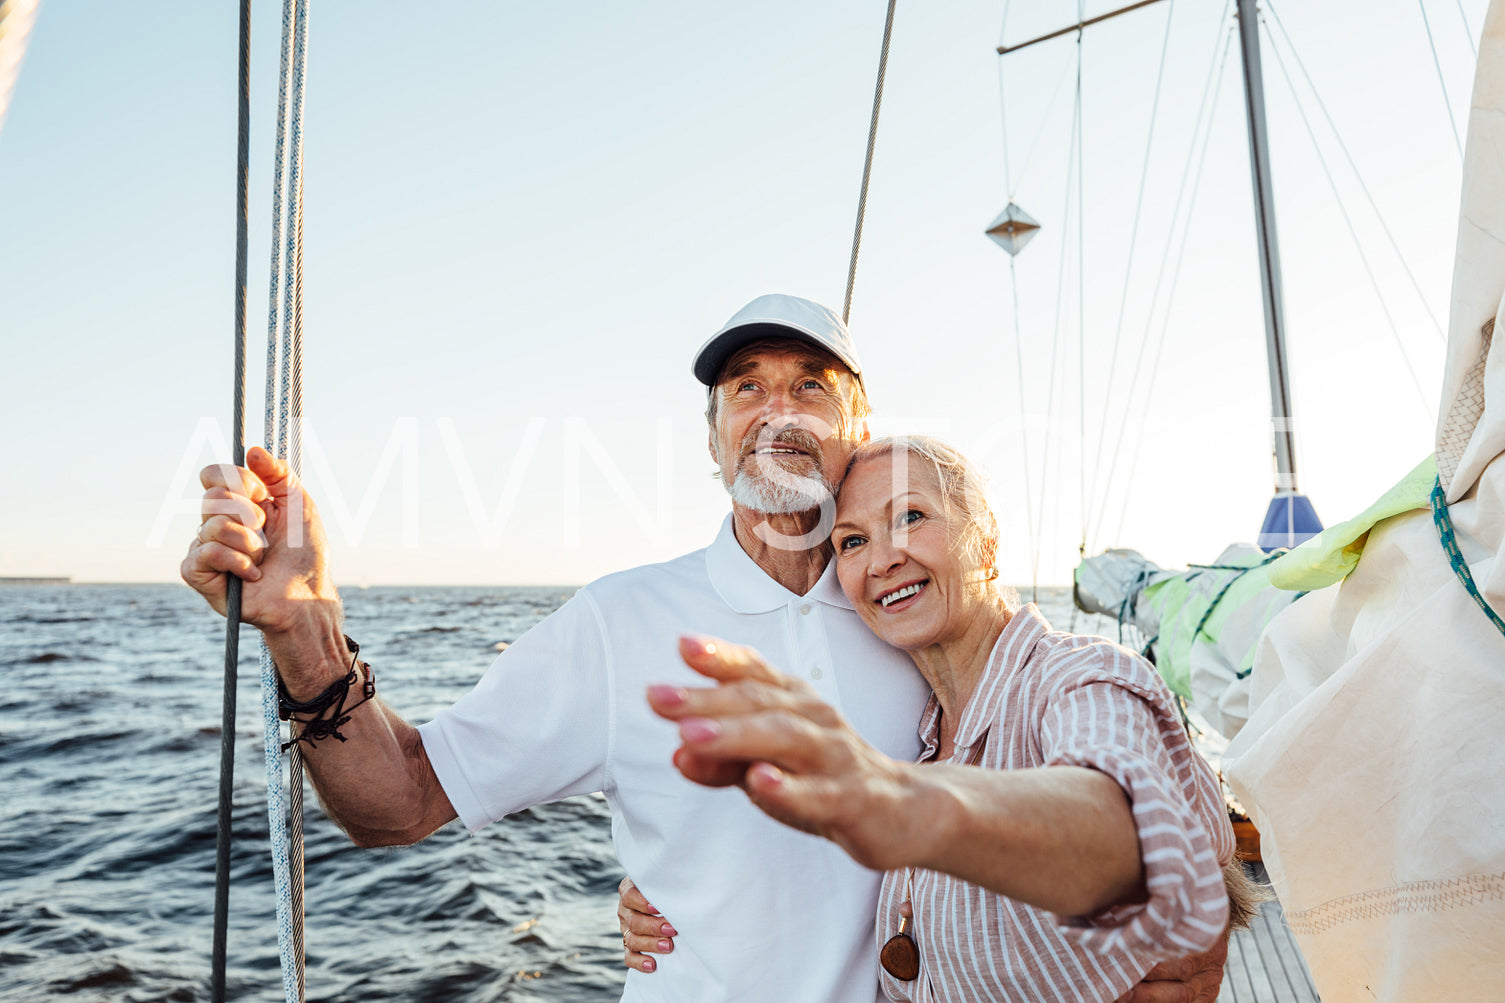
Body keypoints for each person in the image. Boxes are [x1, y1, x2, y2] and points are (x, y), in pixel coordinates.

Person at [182, 294, 1231, 1002]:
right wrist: (305, 626)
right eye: (745, 388)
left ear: (854, 426)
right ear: (714, 435)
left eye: (809, 386)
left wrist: (899, 808)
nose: (775, 410)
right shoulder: (617, 623)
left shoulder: (905, 620)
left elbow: (1102, 794)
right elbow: (399, 800)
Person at [635, 435, 1254, 1002]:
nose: (882, 558)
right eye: (851, 542)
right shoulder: (917, 727)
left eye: (910, 517)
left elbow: (1123, 821)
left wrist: (904, 805)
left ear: (985, 541)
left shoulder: (1080, 678)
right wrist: (672, 888)